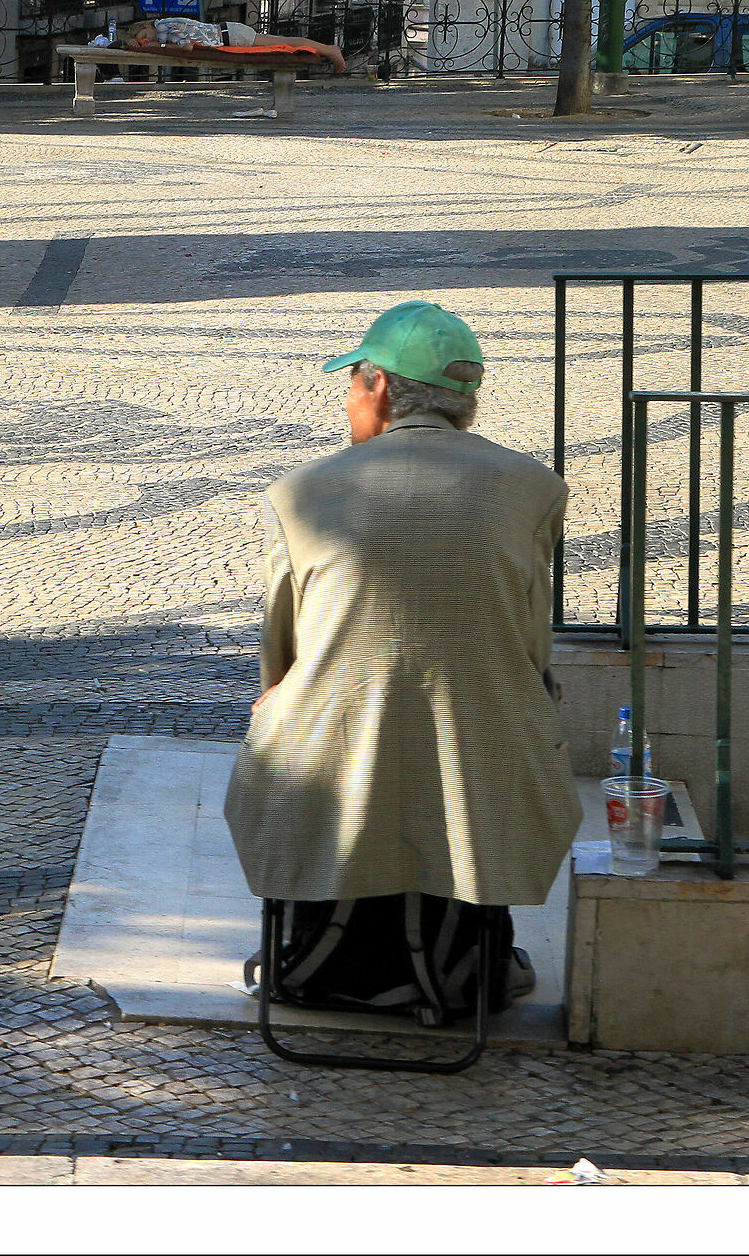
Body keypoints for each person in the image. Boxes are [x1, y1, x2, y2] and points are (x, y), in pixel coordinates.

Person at [224, 301, 582, 1018]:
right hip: (481, 753)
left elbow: (281, 649)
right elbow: (527, 638)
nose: (349, 402)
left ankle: (321, 951)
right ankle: (460, 962)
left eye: (352, 385)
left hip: (334, 747)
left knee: (284, 734)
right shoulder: (534, 488)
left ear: (381, 388)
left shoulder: (302, 492)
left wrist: (280, 695)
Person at [120, 14, 348, 75]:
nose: (146, 41)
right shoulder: (163, 26)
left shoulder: (163, 29)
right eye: (143, 41)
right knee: (285, 42)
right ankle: (328, 50)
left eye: (144, 36)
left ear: (148, 26)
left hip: (232, 37)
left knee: (287, 43)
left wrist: (156, 47)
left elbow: (187, 48)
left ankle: (329, 50)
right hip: (230, 31)